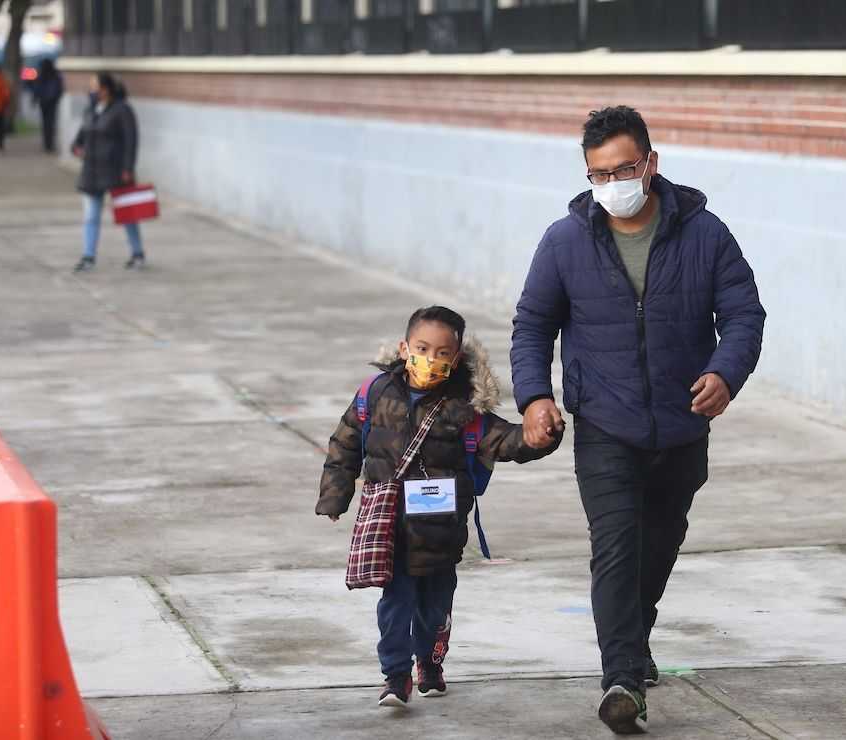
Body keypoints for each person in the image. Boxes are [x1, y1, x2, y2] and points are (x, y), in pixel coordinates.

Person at [511, 106, 766, 735]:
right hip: (604, 422)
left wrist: (725, 374)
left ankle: (636, 633)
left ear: (650, 164)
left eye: (622, 168)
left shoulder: (705, 234)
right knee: (617, 546)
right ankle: (621, 676)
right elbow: (533, 325)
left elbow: (744, 315)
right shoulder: (566, 240)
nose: (611, 184)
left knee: (661, 537)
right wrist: (534, 398)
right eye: (598, 173)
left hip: (682, 423)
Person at [318, 306, 560, 709]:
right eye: (422, 348)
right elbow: (344, 444)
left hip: (442, 531)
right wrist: (334, 494)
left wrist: (540, 437)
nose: (431, 359)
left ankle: (429, 663)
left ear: (457, 358)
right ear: (404, 347)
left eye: (442, 352)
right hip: (391, 529)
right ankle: (395, 677)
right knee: (395, 607)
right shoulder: (375, 395)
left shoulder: (465, 410)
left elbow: (507, 442)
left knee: (433, 609)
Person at [71, 72, 145, 272]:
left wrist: (128, 168)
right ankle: (88, 257)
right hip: (92, 171)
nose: (92, 91)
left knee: (127, 214)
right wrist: (77, 147)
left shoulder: (122, 111)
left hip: (115, 171)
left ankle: (137, 253)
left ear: (106, 89)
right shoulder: (91, 110)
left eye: (95, 86)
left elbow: (131, 142)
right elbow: (81, 136)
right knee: (91, 216)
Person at [34, 58, 64, 153]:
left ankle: (47, 144)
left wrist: (36, 98)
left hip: (44, 102)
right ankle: (49, 144)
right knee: (50, 123)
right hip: (52, 102)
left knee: (45, 123)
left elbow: (37, 88)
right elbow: (59, 88)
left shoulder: (42, 74)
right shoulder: (55, 75)